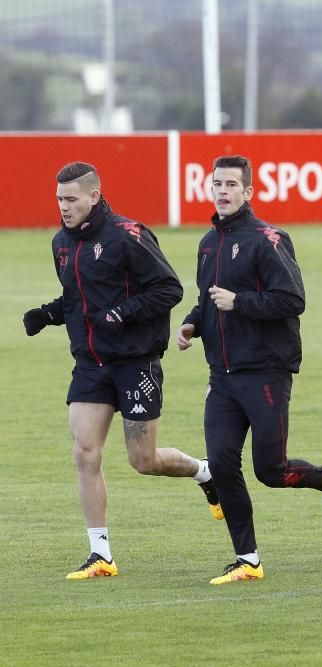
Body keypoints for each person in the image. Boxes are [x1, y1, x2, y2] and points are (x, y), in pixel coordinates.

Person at [23, 161, 222, 580]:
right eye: (59, 199)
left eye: (71, 199)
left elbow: (169, 288)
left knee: (143, 460)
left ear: (94, 197)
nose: (63, 206)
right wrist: (48, 313)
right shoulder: (62, 242)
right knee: (84, 452)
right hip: (91, 365)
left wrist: (124, 312)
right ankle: (101, 555)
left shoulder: (128, 235)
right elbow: (79, 299)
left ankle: (204, 471)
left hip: (136, 362)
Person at [176, 155, 322, 585]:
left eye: (230, 185)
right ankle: (248, 560)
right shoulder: (207, 243)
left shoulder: (268, 239)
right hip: (221, 376)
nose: (222, 191)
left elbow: (292, 300)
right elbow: (209, 301)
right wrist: (192, 322)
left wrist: (240, 302)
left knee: (270, 471)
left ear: (248, 193)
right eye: (216, 183)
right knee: (222, 465)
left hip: (265, 372)